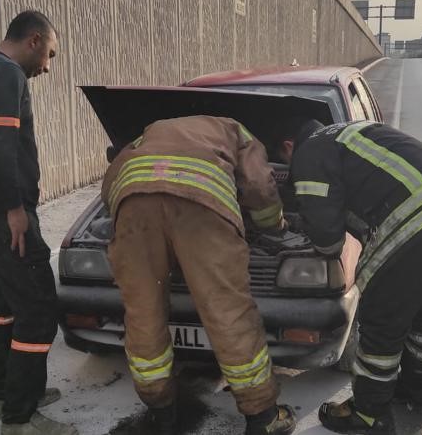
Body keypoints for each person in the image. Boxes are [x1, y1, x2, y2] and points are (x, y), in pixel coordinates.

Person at [275, 120, 422, 435]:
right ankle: (420, 391)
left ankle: (369, 413)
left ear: (289, 146)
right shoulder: (346, 134)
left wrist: (303, 232)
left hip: (416, 215)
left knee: (382, 318)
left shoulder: (310, 151)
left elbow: (328, 240)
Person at [103, 115, 298, 435]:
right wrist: (274, 226)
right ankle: (263, 417)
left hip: (135, 207)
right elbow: (258, 186)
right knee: (228, 312)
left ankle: (161, 413)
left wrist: (130, 221)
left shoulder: (152, 130)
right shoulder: (237, 130)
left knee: (142, 313)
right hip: (203, 209)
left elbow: (111, 181)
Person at [0, 10, 73, 435]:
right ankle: (19, 418)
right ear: (35, 40)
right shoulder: (6, 74)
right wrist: (15, 210)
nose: (48, 67)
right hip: (5, 215)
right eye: (50, 55)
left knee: (1, 307)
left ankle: (5, 396)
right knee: (39, 309)